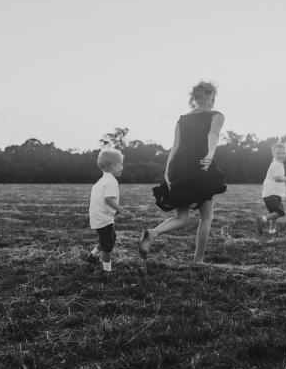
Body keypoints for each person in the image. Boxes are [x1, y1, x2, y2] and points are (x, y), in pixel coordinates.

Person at [138, 81, 226, 263]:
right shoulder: (216, 115)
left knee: (182, 217)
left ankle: (153, 232)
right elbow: (213, 135)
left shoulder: (182, 119)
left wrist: (167, 171)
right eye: (213, 96)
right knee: (206, 217)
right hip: (200, 164)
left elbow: (175, 146)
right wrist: (210, 153)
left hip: (179, 166)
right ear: (209, 96)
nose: (213, 100)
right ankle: (198, 260)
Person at [85, 148, 134, 274]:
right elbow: (109, 200)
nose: (122, 168)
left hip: (98, 217)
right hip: (103, 219)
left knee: (108, 238)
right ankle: (107, 271)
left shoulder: (102, 181)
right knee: (108, 245)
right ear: (112, 166)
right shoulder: (111, 181)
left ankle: (92, 257)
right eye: (121, 165)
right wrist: (122, 211)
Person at [256, 142, 286, 236]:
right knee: (280, 212)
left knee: (274, 213)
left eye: (283, 153)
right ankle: (263, 219)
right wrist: (285, 179)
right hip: (272, 194)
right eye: (278, 153)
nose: (281, 155)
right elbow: (277, 178)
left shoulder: (275, 164)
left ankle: (272, 230)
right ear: (273, 154)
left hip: (269, 194)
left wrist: (282, 194)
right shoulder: (277, 165)